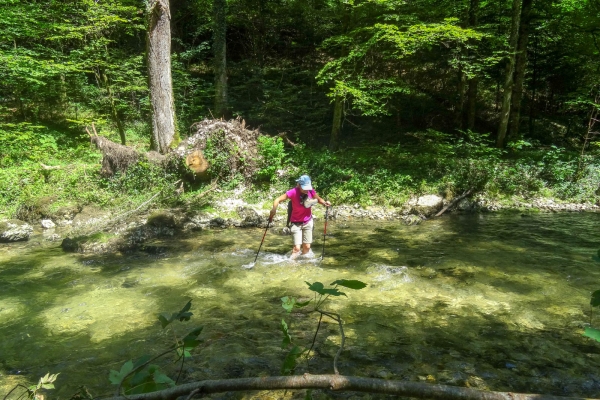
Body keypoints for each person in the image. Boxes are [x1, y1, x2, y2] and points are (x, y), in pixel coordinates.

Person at [270, 175, 331, 258]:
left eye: (307, 187)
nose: (306, 189)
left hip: (308, 222)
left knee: (307, 247)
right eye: (304, 187)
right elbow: (277, 199)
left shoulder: (310, 191)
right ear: (299, 185)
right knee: (297, 249)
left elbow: (319, 199)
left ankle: (303, 267)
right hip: (296, 223)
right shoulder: (293, 192)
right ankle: (292, 267)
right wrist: (274, 209)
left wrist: (324, 203)